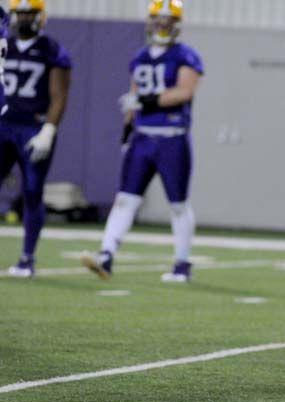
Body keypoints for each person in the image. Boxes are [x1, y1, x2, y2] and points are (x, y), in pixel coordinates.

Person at [81, 0, 203, 283]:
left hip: (172, 138)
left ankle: (182, 263)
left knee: (178, 204)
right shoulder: (140, 57)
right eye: (157, 19)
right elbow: (133, 95)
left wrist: (147, 100)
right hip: (143, 138)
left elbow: (184, 92)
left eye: (167, 19)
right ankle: (107, 255)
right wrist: (128, 126)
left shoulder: (186, 56)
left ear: (177, 23)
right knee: (124, 200)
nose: (162, 24)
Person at [0, 0, 71, 278]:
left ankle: (27, 257)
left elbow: (59, 96)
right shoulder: (6, 42)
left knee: (32, 192)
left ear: (41, 17)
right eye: (20, 13)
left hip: (34, 126)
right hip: (4, 123)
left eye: (30, 13)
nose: (25, 18)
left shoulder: (51, 50)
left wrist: (49, 130)